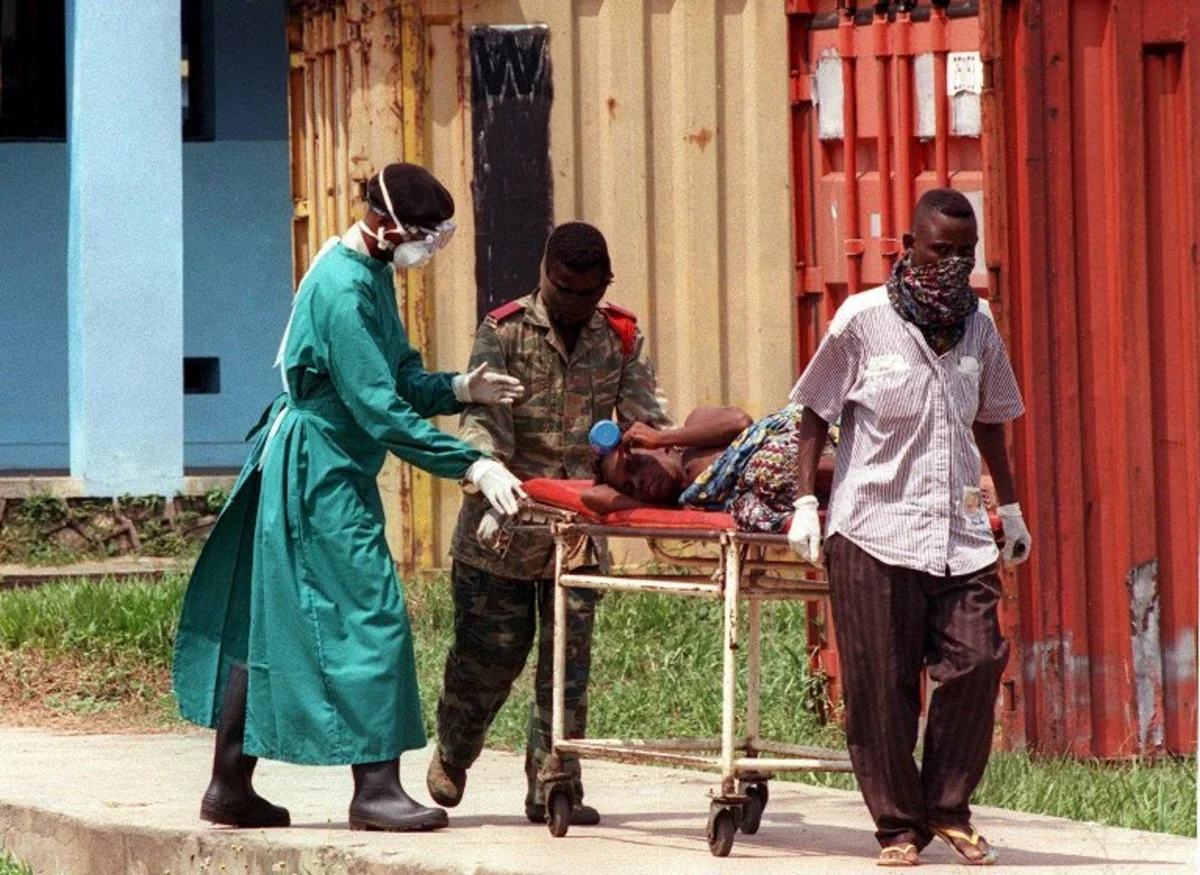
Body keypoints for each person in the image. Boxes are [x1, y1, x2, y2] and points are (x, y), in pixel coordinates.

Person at [172, 163, 527, 833]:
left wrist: (457, 389)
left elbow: (396, 375)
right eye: (425, 238)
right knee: (372, 613)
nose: (427, 251)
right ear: (388, 225)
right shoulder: (340, 289)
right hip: (318, 471)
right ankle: (376, 788)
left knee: (269, 617)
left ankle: (228, 785)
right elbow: (378, 411)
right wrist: (473, 465)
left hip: (324, 461)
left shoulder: (368, 272)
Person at [787, 188, 1032, 866]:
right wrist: (806, 503)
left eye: (966, 252)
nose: (953, 264)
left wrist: (1009, 509)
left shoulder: (979, 324)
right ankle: (898, 825)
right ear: (909, 246)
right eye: (940, 250)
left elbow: (991, 418)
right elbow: (814, 409)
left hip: (957, 533)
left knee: (979, 657)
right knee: (881, 682)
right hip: (872, 529)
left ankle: (948, 805)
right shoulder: (862, 320)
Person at [428, 222, 671, 825]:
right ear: (543, 273)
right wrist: (483, 466)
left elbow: (647, 422)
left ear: (601, 287)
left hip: (578, 531)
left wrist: (651, 464)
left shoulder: (620, 336)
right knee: (489, 657)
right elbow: (484, 417)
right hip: (505, 525)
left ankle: (555, 780)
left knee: (568, 664)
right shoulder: (503, 330)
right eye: (558, 287)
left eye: (581, 292)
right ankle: (455, 752)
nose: (567, 301)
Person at [582, 404, 838, 532]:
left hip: (810, 441)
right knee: (757, 494)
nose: (638, 482)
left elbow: (740, 422)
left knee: (766, 466)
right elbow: (591, 497)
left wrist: (663, 436)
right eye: (630, 487)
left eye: (636, 464)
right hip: (794, 489)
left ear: (651, 444)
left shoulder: (694, 429)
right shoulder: (686, 500)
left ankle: (865, 473)